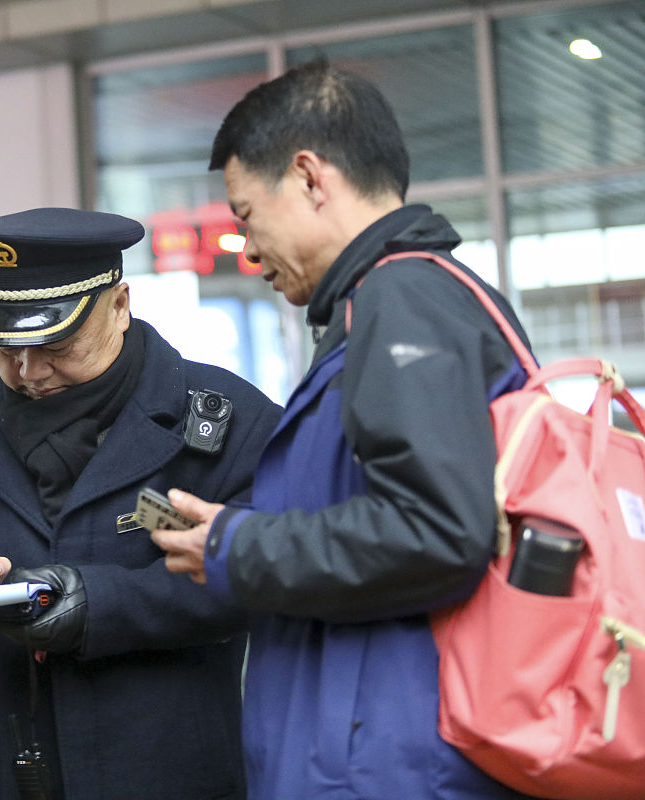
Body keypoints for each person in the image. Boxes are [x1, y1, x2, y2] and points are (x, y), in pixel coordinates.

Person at [151, 61, 541, 799]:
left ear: (308, 177)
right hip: (387, 747)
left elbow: (435, 529)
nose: (250, 250)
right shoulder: (403, 301)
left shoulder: (401, 301)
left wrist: (237, 544)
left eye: (246, 216)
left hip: (394, 763)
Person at [0, 207, 282, 799]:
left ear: (119, 306)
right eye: (5, 348)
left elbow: (261, 573)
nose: (30, 371)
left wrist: (101, 604)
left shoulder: (225, 421)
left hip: (168, 762)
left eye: (54, 343)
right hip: (12, 762)